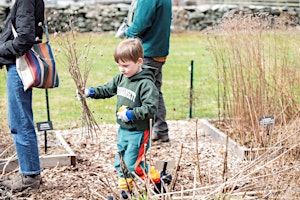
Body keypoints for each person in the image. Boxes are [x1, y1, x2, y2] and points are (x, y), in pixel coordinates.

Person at [77, 38, 170, 197]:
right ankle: (126, 190)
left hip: (140, 132)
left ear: (139, 61)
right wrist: (90, 92)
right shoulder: (121, 78)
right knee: (120, 163)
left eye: (125, 65)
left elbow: (150, 108)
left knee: (136, 165)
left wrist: (131, 114)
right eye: (119, 65)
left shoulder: (146, 84)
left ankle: (157, 181)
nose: (121, 69)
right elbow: (107, 89)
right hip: (123, 130)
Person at [0, 0, 44, 192]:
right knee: (20, 120)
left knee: (20, 122)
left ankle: (30, 176)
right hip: (17, 66)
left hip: (19, 67)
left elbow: (25, 38)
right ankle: (29, 172)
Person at [123, 0, 172, 142]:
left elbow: (141, 23)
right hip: (158, 50)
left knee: (138, 92)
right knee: (154, 91)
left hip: (147, 51)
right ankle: (160, 130)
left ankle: (138, 133)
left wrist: (127, 31)